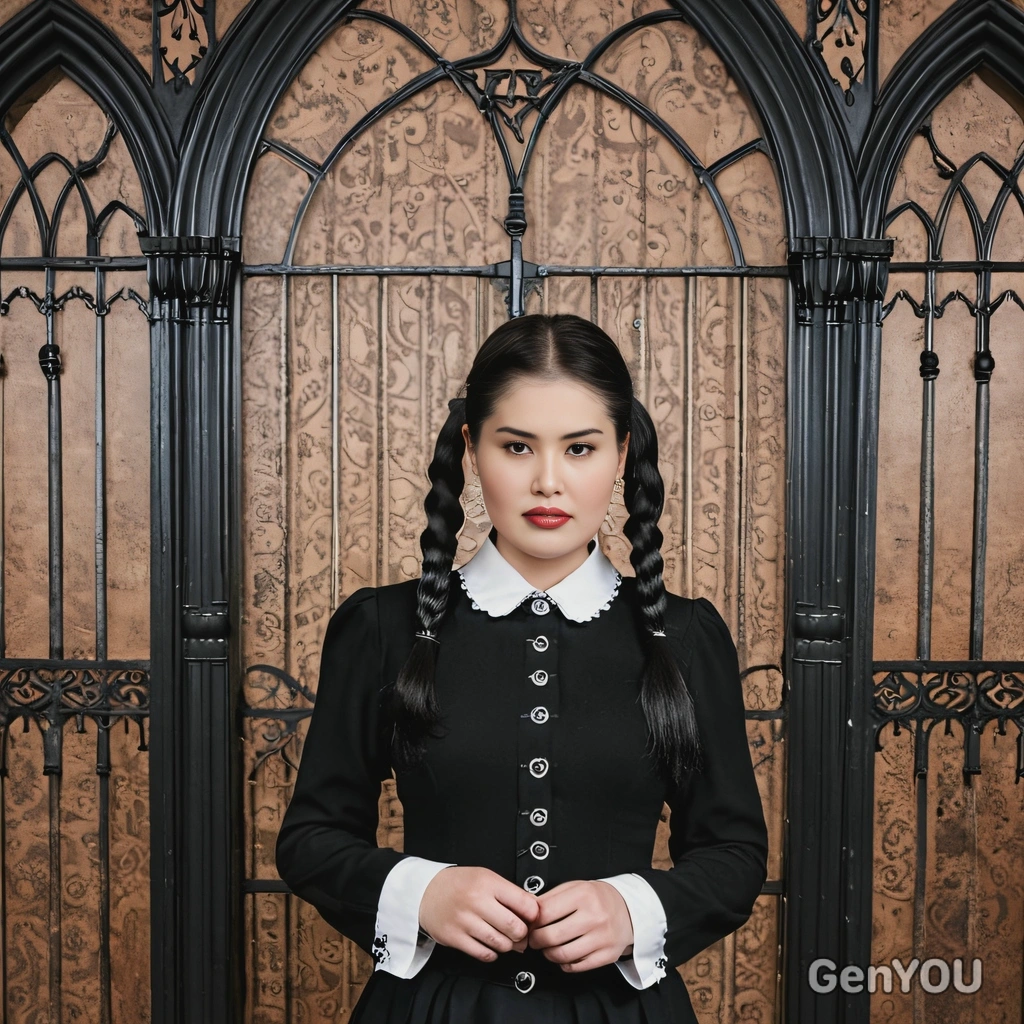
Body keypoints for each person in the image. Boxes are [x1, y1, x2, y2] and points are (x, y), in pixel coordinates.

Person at [275, 313, 768, 1023]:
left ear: (623, 452)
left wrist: (634, 908)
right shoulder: (380, 627)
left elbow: (733, 852)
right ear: (473, 450)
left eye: (579, 448)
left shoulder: (687, 638)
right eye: (516, 446)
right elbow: (312, 840)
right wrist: (423, 893)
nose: (547, 482)